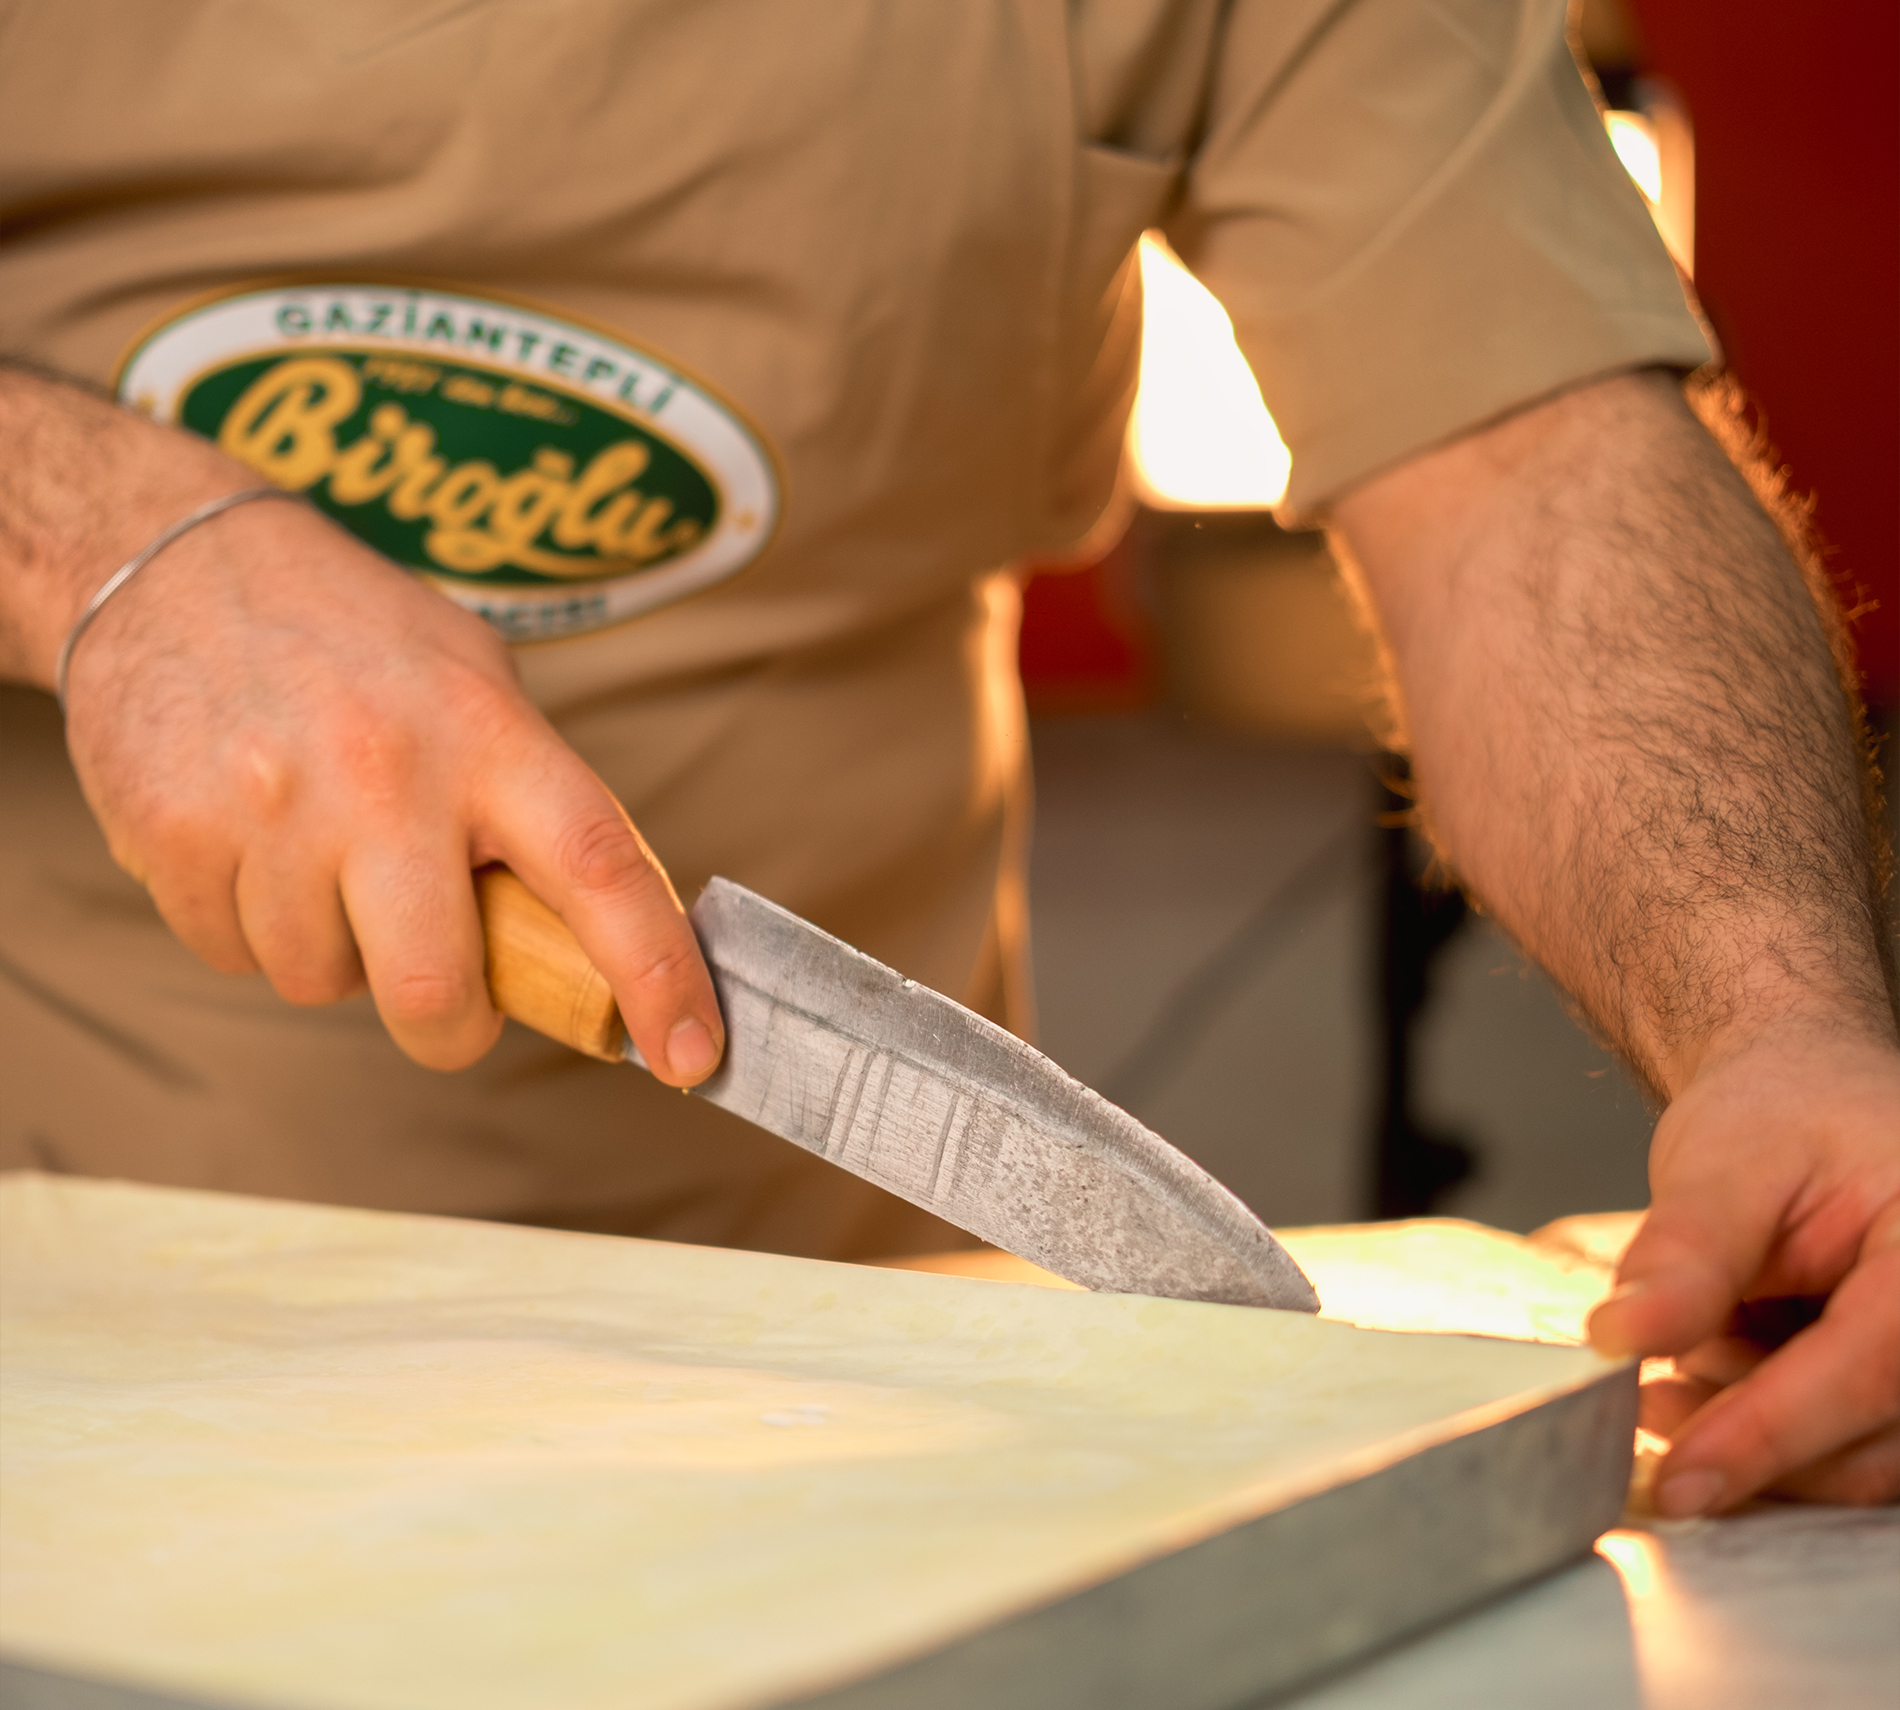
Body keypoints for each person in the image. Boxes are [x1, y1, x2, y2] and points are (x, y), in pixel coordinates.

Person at [1, 0, 1893, 1518]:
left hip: (863, 1393)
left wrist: (1780, 1022)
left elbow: (1532, 459)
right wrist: (94, 540)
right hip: (77, 1353)